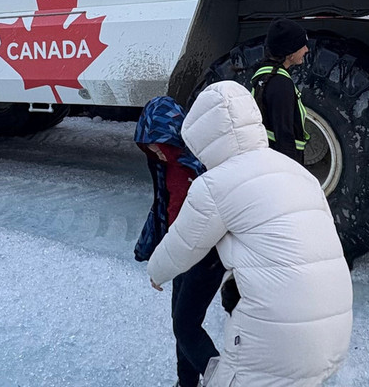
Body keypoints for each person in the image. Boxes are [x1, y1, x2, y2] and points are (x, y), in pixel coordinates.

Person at [147, 81, 352, 387]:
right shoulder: (299, 173)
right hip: (335, 335)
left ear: (201, 137)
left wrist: (155, 272)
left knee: (195, 336)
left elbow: (183, 245)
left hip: (274, 347)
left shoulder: (215, 185)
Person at [134, 96, 225, 387]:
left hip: (207, 255)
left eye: (159, 144)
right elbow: (163, 208)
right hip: (180, 254)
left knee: (186, 327)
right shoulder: (163, 166)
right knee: (181, 324)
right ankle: (186, 383)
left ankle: (227, 381)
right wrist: (152, 250)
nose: (155, 151)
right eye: (149, 146)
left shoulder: (201, 164)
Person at [250, 18, 310, 165]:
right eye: (302, 46)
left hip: (269, 155)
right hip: (283, 161)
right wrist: (292, 171)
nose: (306, 50)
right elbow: (284, 134)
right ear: (290, 53)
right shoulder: (281, 85)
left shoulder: (263, 73)